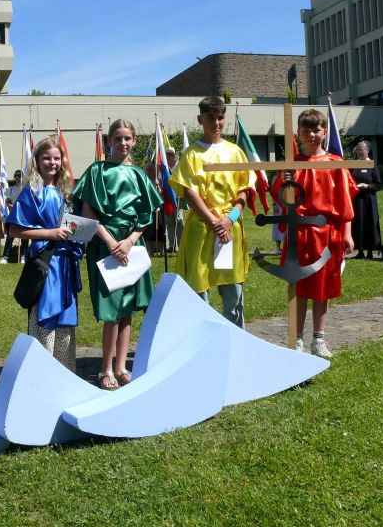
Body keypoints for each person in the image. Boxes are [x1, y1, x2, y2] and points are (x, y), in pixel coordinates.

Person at [73, 118, 162, 390]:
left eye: (127, 138)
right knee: (112, 308)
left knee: (128, 309)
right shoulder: (97, 171)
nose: (123, 143)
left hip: (131, 245)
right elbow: (87, 211)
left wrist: (130, 241)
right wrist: (112, 242)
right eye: (117, 138)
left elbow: (146, 215)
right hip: (106, 243)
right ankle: (105, 368)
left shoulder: (139, 175)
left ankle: (122, 366)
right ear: (109, 141)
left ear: (134, 141)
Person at [270, 109, 357, 358]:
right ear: (298, 133)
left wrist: (347, 233)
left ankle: (318, 338)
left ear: (325, 132)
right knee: (299, 286)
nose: (311, 135)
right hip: (300, 234)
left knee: (323, 288)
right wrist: (284, 178)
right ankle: (296, 338)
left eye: (316, 130)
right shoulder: (293, 164)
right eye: (306, 130)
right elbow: (280, 196)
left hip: (328, 233)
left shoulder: (335, 164)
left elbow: (345, 203)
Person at [169, 95, 254, 329]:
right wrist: (214, 221)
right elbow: (189, 192)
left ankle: (235, 336)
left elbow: (244, 189)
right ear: (200, 120)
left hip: (229, 226)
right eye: (210, 118)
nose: (216, 123)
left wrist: (229, 219)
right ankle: (201, 336)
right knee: (198, 286)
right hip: (201, 227)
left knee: (232, 287)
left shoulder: (235, 152)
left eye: (220, 118)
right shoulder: (192, 154)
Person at [6, 138, 84, 371]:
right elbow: (14, 229)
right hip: (46, 264)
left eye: (56, 158)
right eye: (47, 158)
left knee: (65, 323)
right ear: (37, 162)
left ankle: (64, 372)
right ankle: (41, 372)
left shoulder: (66, 193)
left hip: (66, 264)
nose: (52, 162)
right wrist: (51, 233)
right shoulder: (32, 193)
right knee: (45, 317)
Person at [350, 140, 382, 259]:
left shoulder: (372, 165)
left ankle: (370, 251)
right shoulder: (354, 165)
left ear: (367, 151)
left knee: (370, 223)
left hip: (369, 199)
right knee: (358, 224)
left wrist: (367, 186)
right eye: (358, 149)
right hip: (357, 200)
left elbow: (378, 185)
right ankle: (360, 250)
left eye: (362, 149)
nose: (359, 151)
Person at [0, 169, 27, 264]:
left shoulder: (26, 189)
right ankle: (5, 256)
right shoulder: (10, 189)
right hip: (14, 215)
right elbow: (7, 202)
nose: (17, 178)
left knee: (25, 236)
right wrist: (11, 206)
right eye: (16, 176)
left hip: (24, 216)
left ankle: (24, 256)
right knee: (10, 236)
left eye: (19, 176)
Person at [164, 147, 185, 252]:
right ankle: (171, 245)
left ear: (173, 156)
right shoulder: (164, 167)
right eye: (167, 154)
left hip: (178, 198)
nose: (168, 156)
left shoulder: (179, 167)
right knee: (170, 223)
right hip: (167, 198)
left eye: (170, 154)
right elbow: (161, 181)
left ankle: (181, 245)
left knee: (179, 221)